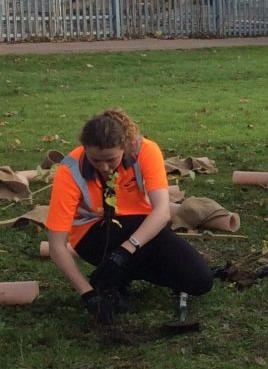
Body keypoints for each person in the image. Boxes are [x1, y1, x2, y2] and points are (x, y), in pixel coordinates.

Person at [46, 109, 214, 323]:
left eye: (110, 160)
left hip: (141, 230)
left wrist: (123, 253)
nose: (104, 168)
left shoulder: (146, 151)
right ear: (84, 149)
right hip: (94, 235)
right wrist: (88, 295)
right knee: (129, 245)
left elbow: (162, 212)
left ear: (124, 147)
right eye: (95, 161)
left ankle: (116, 277)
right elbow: (57, 245)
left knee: (201, 281)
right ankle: (111, 282)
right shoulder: (69, 170)